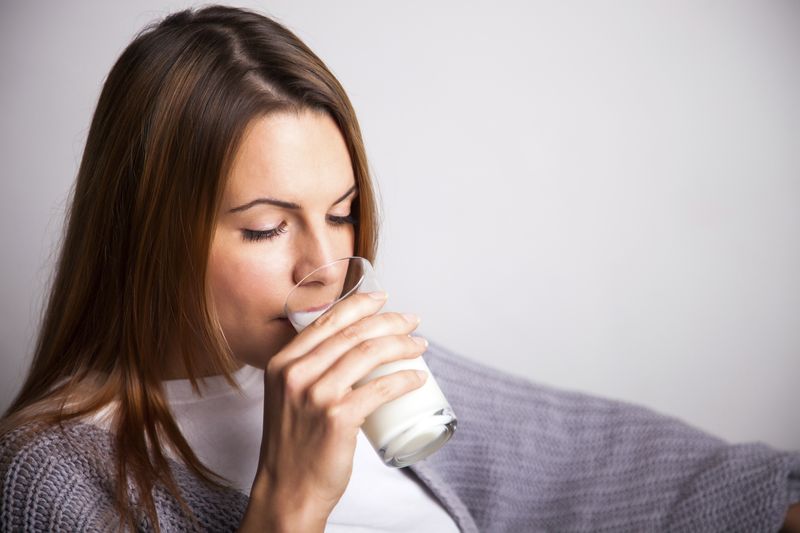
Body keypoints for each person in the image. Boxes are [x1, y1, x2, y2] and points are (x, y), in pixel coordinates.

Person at [0, 5, 798, 532]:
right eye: (268, 226)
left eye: (342, 211)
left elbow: (639, 471)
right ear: (148, 235)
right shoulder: (54, 477)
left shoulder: (370, 367)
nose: (327, 264)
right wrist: (291, 498)